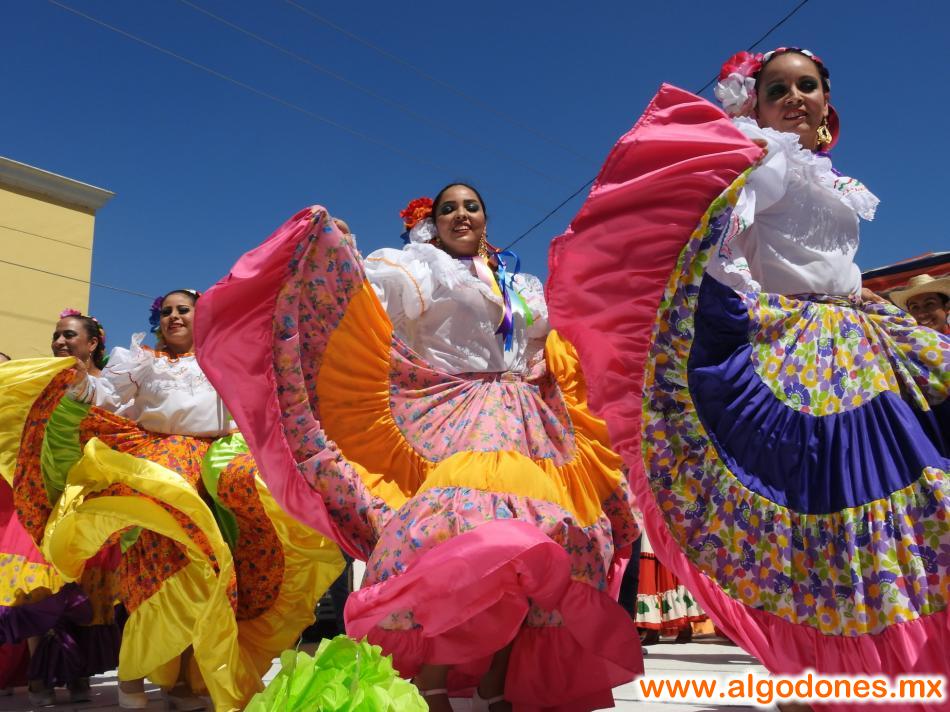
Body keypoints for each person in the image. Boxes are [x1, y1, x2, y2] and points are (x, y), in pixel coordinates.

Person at [546, 47, 949, 705]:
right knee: (821, 522)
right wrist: (729, 314)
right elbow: (717, 248)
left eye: (807, 86)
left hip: (859, 343)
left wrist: (876, 310)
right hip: (793, 362)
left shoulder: (833, 179)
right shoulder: (759, 166)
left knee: (899, 502)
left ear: (826, 111)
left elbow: (835, 270)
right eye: (777, 88)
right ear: (753, 107)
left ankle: (882, 669)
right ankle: (819, 678)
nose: (794, 96)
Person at [195, 189, 643, 711]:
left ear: (486, 218)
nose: (460, 215)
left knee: (551, 542)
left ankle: (498, 681)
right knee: (459, 536)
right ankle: (432, 681)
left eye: (471, 206)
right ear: (430, 224)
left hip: (528, 419)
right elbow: (363, 299)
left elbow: (555, 337)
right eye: (447, 208)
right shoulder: (418, 267)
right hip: (452, 412)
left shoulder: (520, 284)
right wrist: (336, 250)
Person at [0, 292, 343, 710]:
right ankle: (132, 677)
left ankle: (184, 681)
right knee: (159, 574)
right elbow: (105, 397)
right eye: (167, 311)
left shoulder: (228, 358)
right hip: (159, 471)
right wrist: (75, 385)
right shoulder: (140, 361)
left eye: (184, 309)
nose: (174, 316)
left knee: (215, 576)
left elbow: (273, 388)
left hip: (214, 470)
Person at [0, 310, 120, 707]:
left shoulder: (113, 387)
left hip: (92, 497)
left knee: (85, 592)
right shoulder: (46, 381)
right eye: (56, 336)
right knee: (42, 586)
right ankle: (40, 676)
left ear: (93, 342)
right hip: (45, 496)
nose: (60, 342)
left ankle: (75, 671)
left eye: (69, 335)